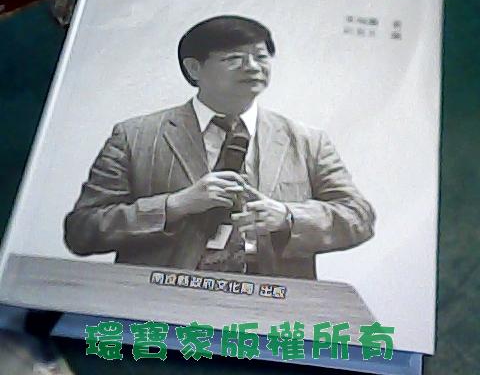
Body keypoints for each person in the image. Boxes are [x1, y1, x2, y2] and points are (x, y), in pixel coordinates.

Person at [64, 15, 375, 279]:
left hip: (269, 308)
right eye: (233, 58)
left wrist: (287, 216)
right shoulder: (135, 136)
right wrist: (174, 206)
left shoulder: (307, 142)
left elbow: (358, 217)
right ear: (194, 68)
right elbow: (81, 230)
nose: (252, 67)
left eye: (261, 56)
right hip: (159, 301)